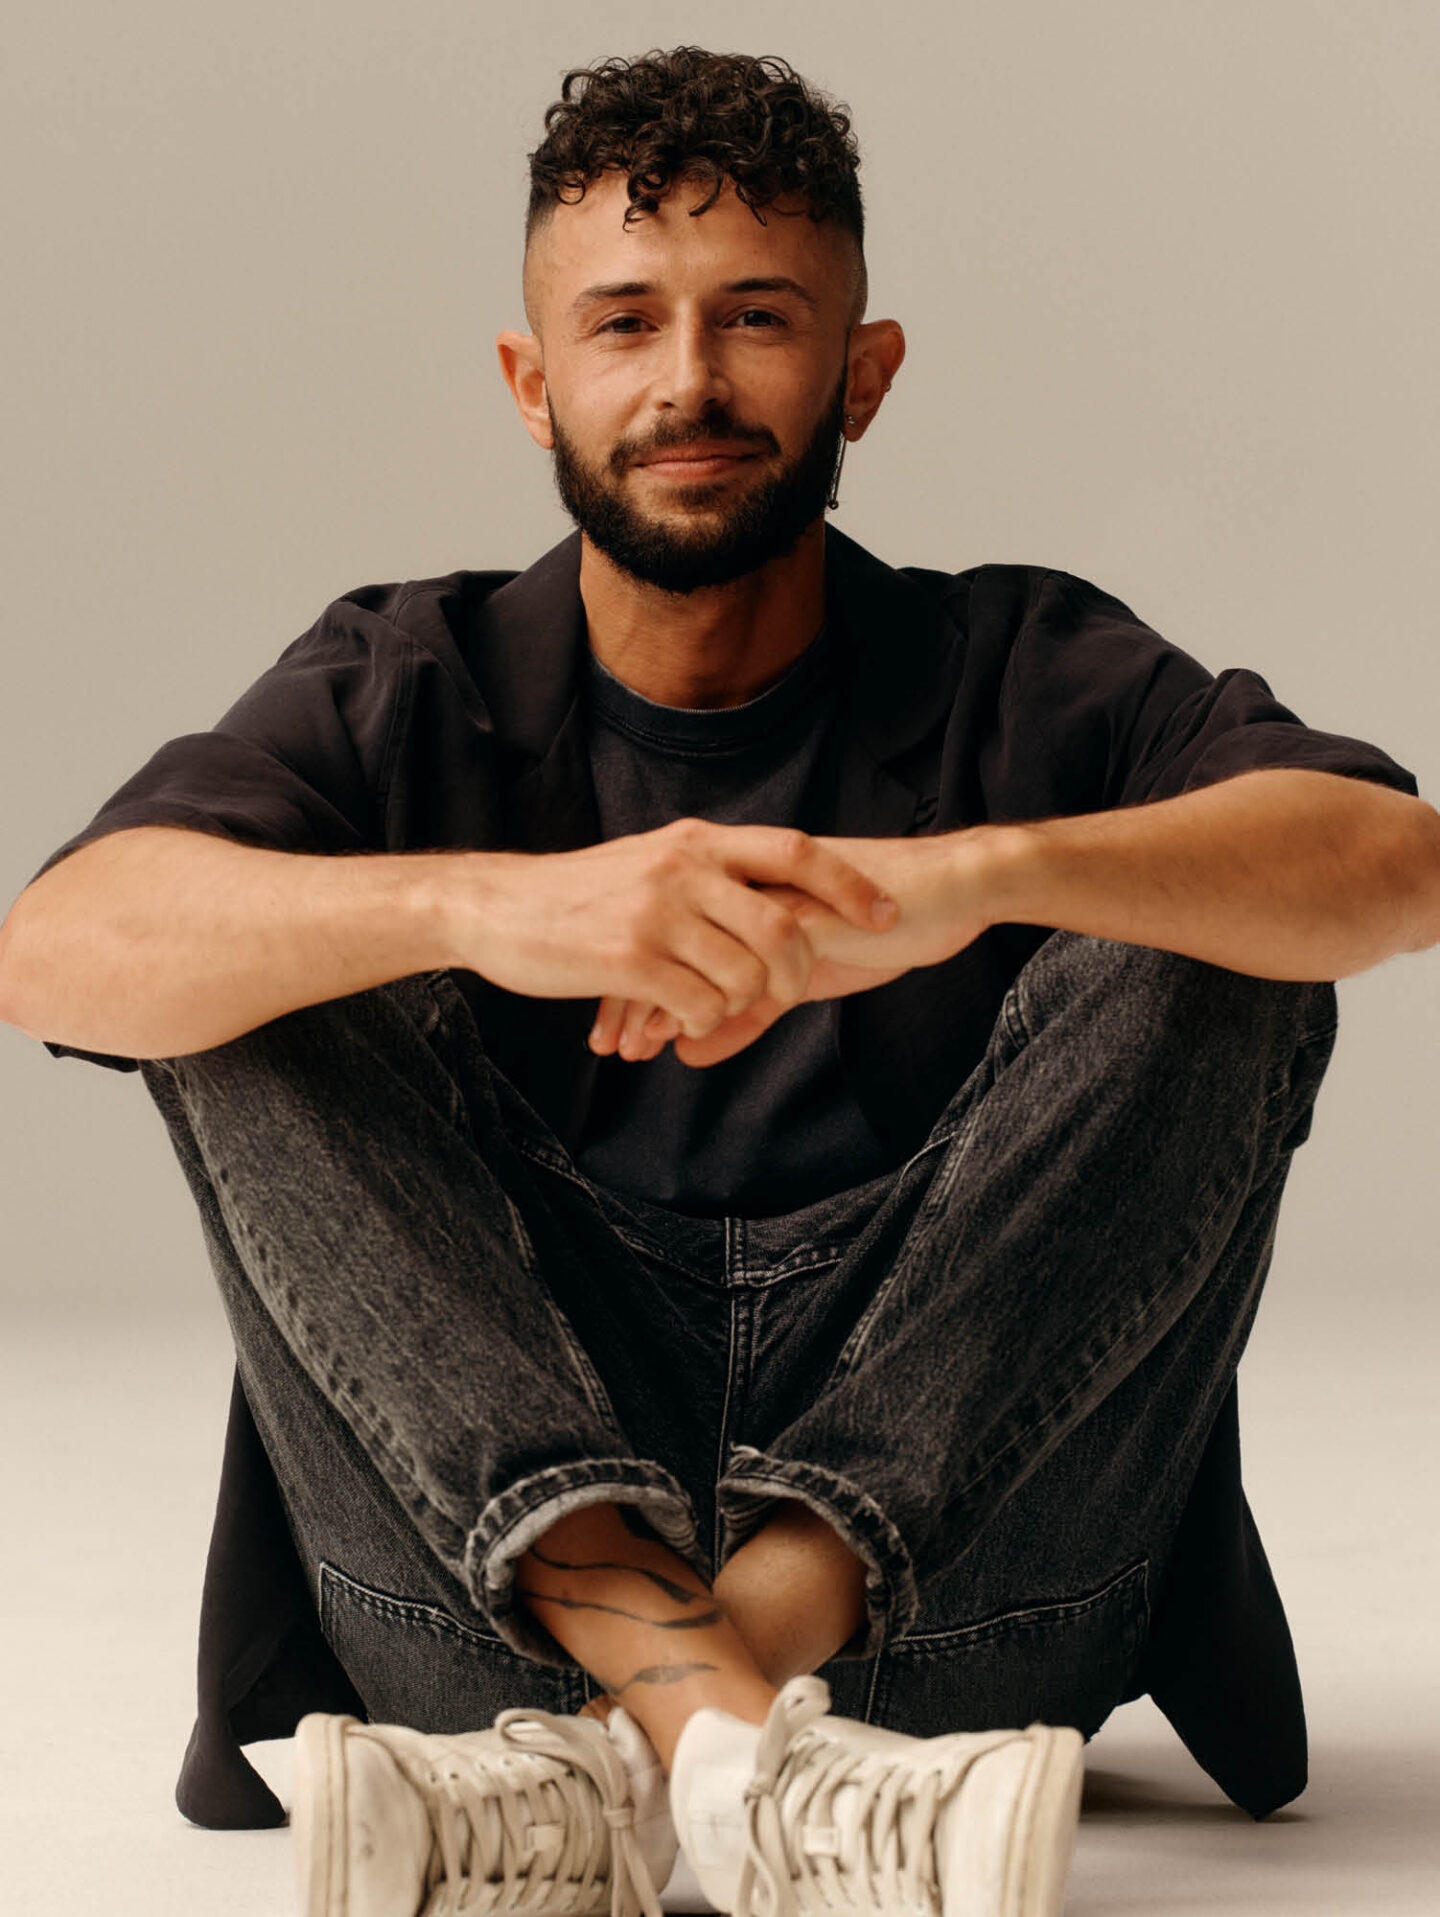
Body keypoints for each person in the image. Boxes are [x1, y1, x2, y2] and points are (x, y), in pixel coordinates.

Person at [1, 42, 1435, 1917]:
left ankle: (652, 1753)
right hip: (485, 1592)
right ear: (534, 384)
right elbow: (59, 949)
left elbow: (1397, 865)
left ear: (865, 373)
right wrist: (478, 911)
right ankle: (749, 1763)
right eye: (624, 323)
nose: (687, 383)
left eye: (758, 319)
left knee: (1208, 932)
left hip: (957, 1604)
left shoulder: (1024, 664)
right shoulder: (405, 674)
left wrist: (966, 879)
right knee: (263, 953)